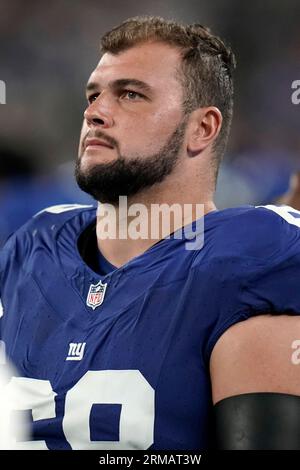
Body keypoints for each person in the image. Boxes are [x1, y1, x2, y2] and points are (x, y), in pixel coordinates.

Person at [1, 16, 300, 450]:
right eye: (94, 95)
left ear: (202, 129)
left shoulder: (251, 260)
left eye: (130, 94)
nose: (95, 113)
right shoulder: (31, 248)